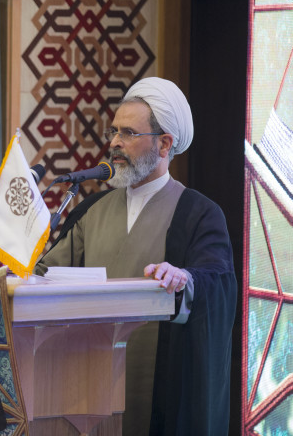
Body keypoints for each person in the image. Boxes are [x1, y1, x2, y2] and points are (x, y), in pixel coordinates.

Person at [37, 77, 237, 436]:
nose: (114, 142)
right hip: (86, 384)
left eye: (128, 133)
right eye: (114, 131)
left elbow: (218, 283)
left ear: (164, 144)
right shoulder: (91, 210)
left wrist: (185, 280)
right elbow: (44, 274)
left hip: (159, 389)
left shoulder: (199, 214)